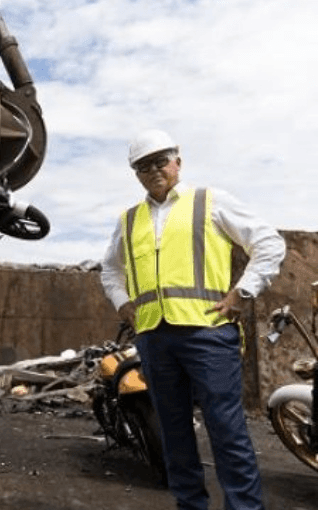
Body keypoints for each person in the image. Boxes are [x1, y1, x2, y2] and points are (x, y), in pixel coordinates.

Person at [100, 129, 285, 510]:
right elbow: (110, 271)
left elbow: (269, 243)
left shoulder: (210, 202)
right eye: (143, 166)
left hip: (208, 333)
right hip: (154, 337)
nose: (154, 170)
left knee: (226, 429)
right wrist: (122, 303)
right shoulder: (129, 220)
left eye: (160, 161)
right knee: (173, 433)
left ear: (177, 162)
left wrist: (242, 293)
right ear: (136, 174)